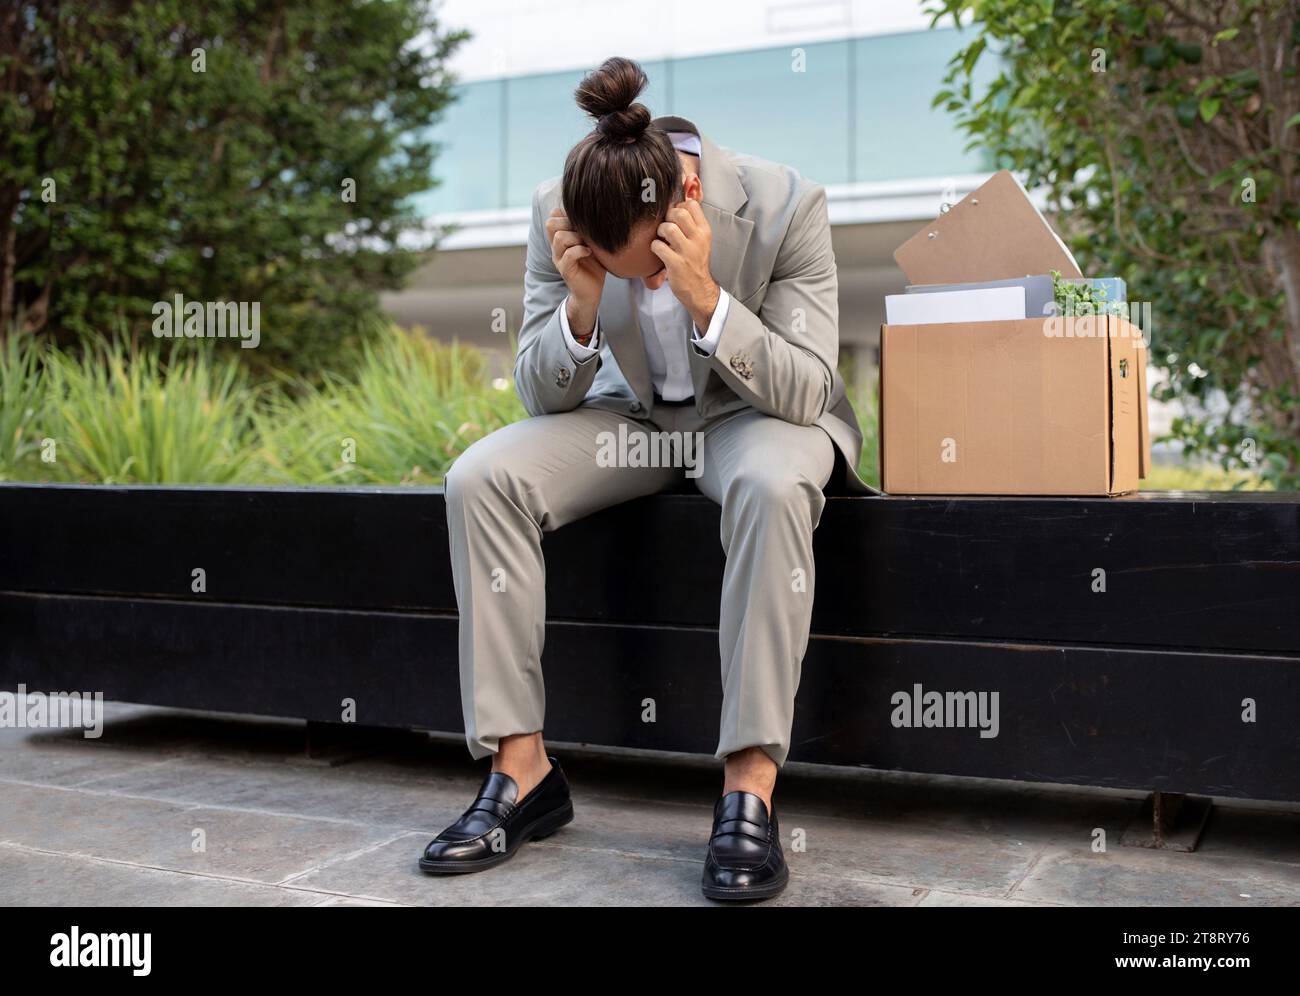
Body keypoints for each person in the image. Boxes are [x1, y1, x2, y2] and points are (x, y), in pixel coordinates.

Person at [420, 56, 869, 901]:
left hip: (754, 415)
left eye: (651, 269)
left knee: (774, 488)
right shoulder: (560, 215)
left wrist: (704, 300)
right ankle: (523, 774)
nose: (646, 286)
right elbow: (540, 390)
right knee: (481, 476)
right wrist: (581, 309)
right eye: (629, 275)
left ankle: (748, 789)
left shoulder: (786, 204)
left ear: (686, 204)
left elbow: (809, 390)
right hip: (633, 425)